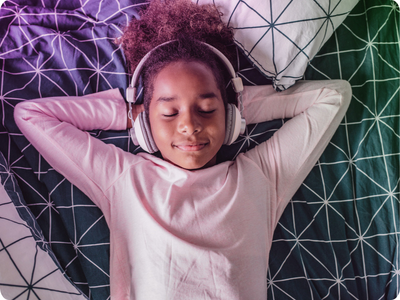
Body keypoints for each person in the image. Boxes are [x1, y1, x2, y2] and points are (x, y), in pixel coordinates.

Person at [13, 0, 352, 299]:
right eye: (169, 113)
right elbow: (31, 114)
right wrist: (128, 113)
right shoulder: (123, 178)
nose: (190, 125)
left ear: (231, 118)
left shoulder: (262, 176)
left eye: (206, 109)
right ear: (145, 124)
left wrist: (240, 105)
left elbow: (334, 96)